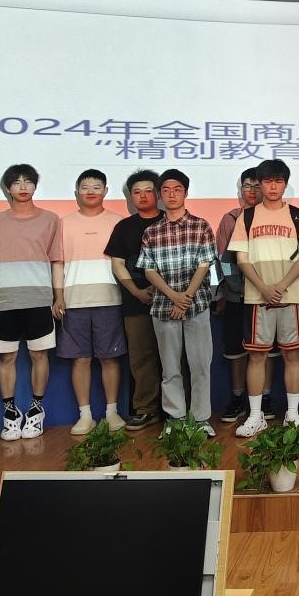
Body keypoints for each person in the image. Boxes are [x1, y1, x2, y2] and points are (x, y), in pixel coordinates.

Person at [230, 159, 299, 436]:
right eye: (268, 181)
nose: (273, 186)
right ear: (260, 184)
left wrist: (280, 285)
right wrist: (263, 287)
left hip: (291, 296)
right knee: (257, 356)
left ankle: (292, 414)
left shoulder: (298, 216)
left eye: (278, 181)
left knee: (292, 354)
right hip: (257, 298)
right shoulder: (247, 217)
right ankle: (255, 416)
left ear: (285, 184)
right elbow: (242, 259)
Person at [136, 168, 218, 435]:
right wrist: (174, 297)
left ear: (186, 193)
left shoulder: (201, 226)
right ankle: (175, 418)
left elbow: (205, 264)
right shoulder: (152, 231)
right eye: (166, 191)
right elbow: (149, 270)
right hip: (163, 308)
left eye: (177, 190)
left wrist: (186, 298)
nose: (172, 195)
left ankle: (201, 419)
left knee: (200, 365)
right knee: (170, 368)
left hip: (197, 305)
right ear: (160, 195)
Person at [0, 163, 62, 441]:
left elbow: (56, 260)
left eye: (28, 181)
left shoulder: (51, 220)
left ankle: (36, 409)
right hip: (5, 300)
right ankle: (10, 414)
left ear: (35, 186)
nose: (23, 187)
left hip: (39, 298)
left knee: (39, 355)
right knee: (7, 357)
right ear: (7, 188)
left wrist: (58, 296)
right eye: (16, 182)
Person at [53, 169, 127, 435]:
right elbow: (58, 263)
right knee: (80, 359)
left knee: (110, 358)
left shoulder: (119, 222)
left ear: (106, 191)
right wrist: (58, 296)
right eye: (85, 187)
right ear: (76, 192)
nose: (91, 191)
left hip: (110, 298)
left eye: (97, 187)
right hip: (74, 301)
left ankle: (112, 412)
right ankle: (85, 415)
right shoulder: (63, 224)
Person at [105, 169, 164, 430]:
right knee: (141, 358)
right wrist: (136, 291)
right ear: (130, 196)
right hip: (135, 302)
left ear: (158, 193)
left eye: (148, 190)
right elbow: (118, 264)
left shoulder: (170, 221)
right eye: (136, 192)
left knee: (176, 357)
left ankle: (177, 411)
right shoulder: (124, 227)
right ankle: (145, 409)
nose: (143, 196)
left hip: (172, 301)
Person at [214, 166, 261, 425]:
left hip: (266, 297)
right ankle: (237, 398)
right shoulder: (230, 218)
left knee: (264, 352)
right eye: (247, 186)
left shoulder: (274, 217)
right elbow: (224, 259)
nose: (252, 191)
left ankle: (263, 399)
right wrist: (236, 287)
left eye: (257, 185)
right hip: (236, 296)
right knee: (236, 352)